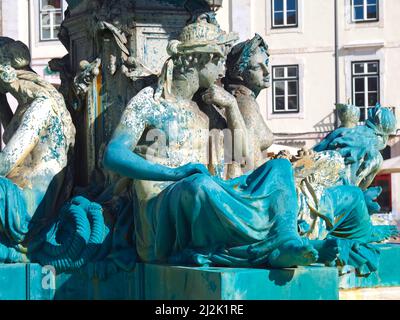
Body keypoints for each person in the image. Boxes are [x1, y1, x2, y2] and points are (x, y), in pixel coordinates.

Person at [103, 17, 320, 268]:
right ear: (198, 61)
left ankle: (286, 240)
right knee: (199, 185)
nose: (222, 70)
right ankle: (260, 248)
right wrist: (173, 174)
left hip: (206, 191)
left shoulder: (209, 108)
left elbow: (242, 158)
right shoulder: (152, 101)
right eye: (218, 61)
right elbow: (114, 154)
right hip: (162, 206)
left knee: (279, 168)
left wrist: (230, 108)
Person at [0, 37, 75, 261]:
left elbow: (6, 161)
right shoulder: (26, 105)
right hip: (16, 193)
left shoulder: (41, 105)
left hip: (29, 205)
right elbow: (10, 135)